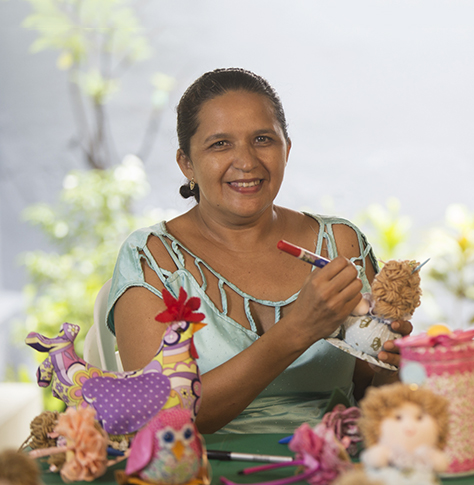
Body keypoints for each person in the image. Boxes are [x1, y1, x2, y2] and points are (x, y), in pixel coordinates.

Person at [106, 68, 411, 434]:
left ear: (287, 149)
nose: (247, 161)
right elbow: (155, 420)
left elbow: (371, 398)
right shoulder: (151, 259)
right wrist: (296, 331)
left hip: (334, 466)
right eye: (220, 144)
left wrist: (391, 363)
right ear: (186, 162)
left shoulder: (342, 245)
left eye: (263, 139)